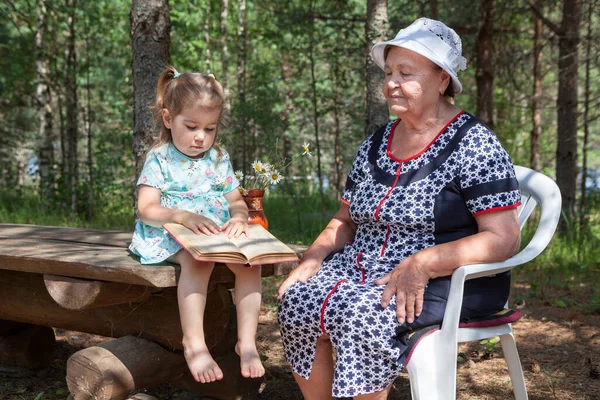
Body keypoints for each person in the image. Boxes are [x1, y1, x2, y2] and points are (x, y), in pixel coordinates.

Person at [277, 17, 521, 399]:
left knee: (361, 315)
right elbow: (344, 220)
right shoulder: (376, 143)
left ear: (442, 79)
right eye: (389, 71)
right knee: (298, 299)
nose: (391, 82)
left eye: (406, 73)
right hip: (363, 267)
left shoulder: (474, 144)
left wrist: (421, 263)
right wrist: (313, 258)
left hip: (450, 279)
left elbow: (503, 238)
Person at [129, 66, 265, 383]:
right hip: (169, 233)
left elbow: (234, 198)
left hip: (214, 233)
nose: (201, 136)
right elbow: (146, 209)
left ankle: (246, 342)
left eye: (210, 128)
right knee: (197, 260)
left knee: (250, 264)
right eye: (191, 126)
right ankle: (195, 343)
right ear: (168, 119)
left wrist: (239, 216)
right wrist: (181, 216)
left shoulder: (218, 158)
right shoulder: (160, 158)